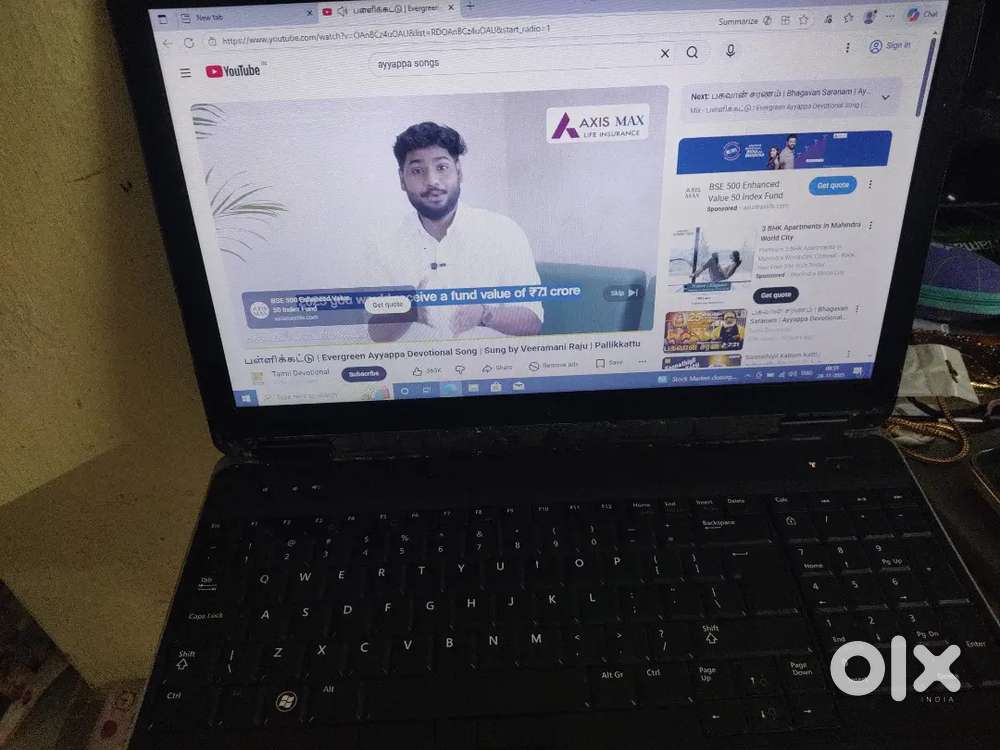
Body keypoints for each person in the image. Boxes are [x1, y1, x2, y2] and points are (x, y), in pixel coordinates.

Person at [366, 122, 543, 342]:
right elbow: (376, 334)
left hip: (490, 361)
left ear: (458, 171)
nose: (432, 181)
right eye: (417, 171)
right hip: (418, 362)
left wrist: (484, 314)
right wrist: (410, 310)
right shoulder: (382, 243)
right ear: (402, 179)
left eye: (441, 167)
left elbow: (533, 322)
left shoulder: (504, 232)